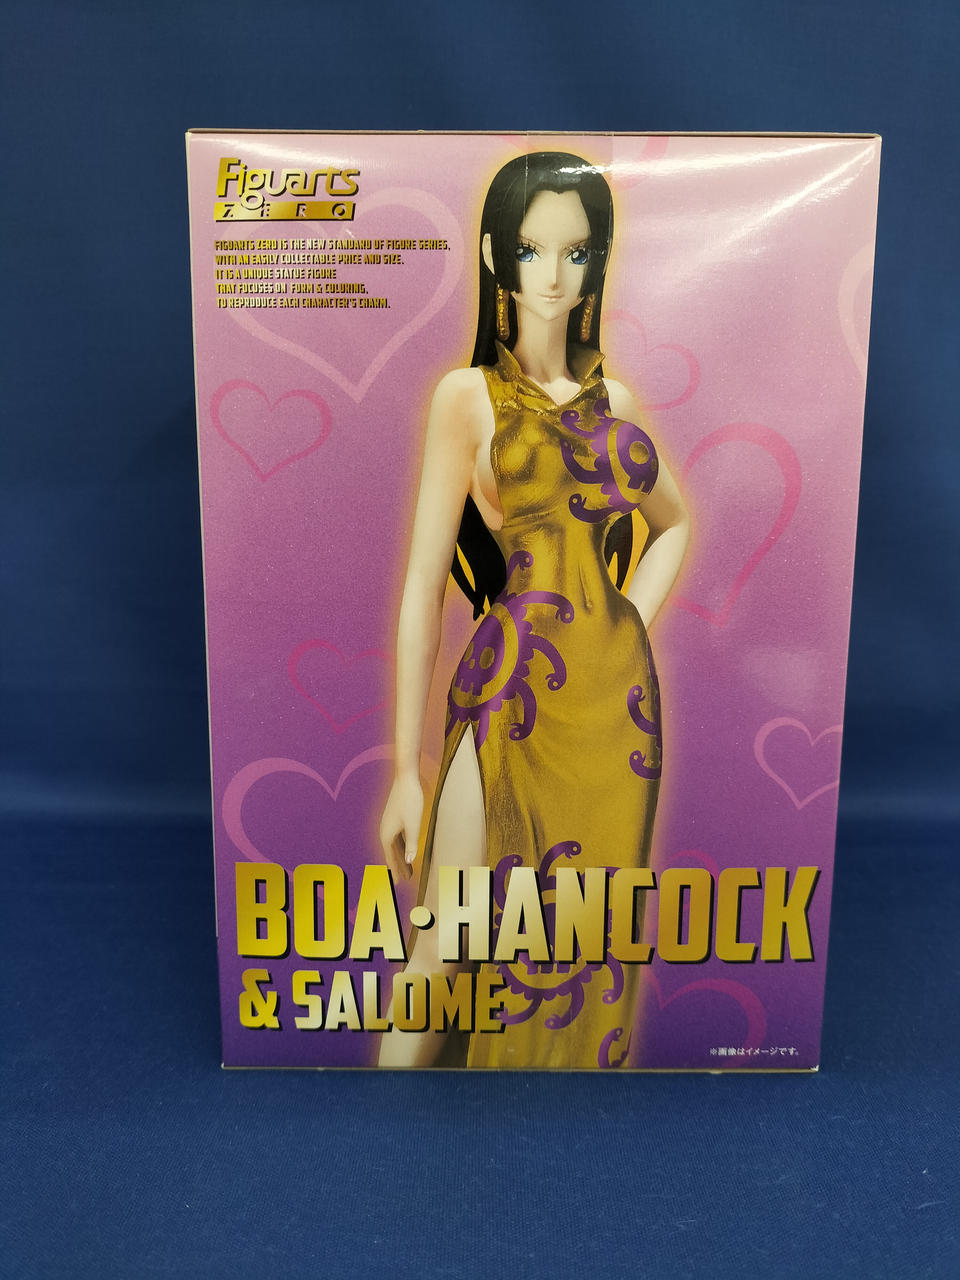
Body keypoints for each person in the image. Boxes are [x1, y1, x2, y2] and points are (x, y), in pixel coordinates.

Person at [378, 152, 689, 1069]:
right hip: (509, 689)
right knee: (450, 942)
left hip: (613, 709)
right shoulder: (466, 398)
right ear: (494, 256)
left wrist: (622, 628)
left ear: (597, 261)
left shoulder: (614, 403)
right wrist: (406, 770)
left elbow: (673, 523)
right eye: (530, 249)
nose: (553, 275)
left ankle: (553, 1130)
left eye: (576, 252)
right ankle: (372, 1133)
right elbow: (423, 586)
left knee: (583, 934)